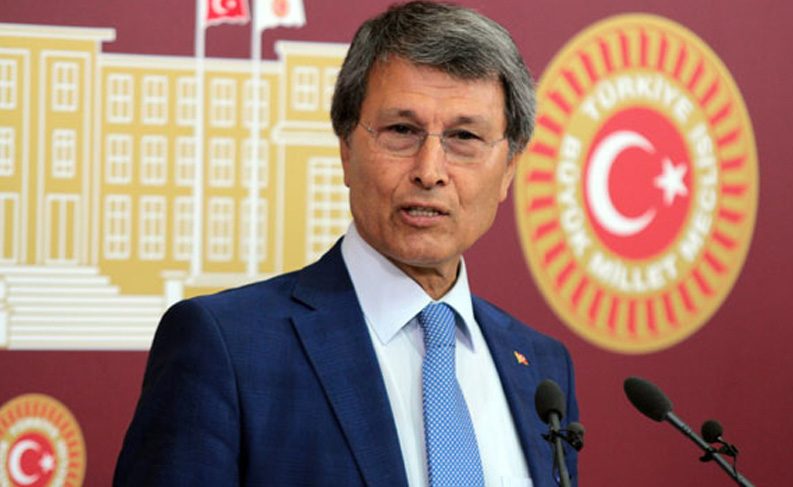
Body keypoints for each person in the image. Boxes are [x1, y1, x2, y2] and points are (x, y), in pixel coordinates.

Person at [114, 2, 579, 486]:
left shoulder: (541, 369)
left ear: (508, 169)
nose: (430, 171)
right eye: (401, 131)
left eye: (464, 136)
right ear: (346, 148)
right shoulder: (227, 348)